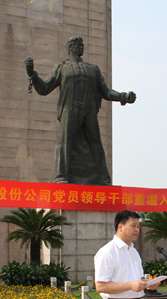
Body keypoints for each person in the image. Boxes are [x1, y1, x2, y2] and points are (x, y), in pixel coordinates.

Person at [24, 36, 136, 186]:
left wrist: (123, 96)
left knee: (95, 143)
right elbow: (44, 88)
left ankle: (103, 179)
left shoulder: (93, 69)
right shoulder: (62, 68)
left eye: (82, 44)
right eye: (78, 44)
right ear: (70, 48)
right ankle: (60, 176)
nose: (81, 47)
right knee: (65, 142)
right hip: (70, 108)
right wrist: (32, 74)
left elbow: (106, 91)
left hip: (89, 110)